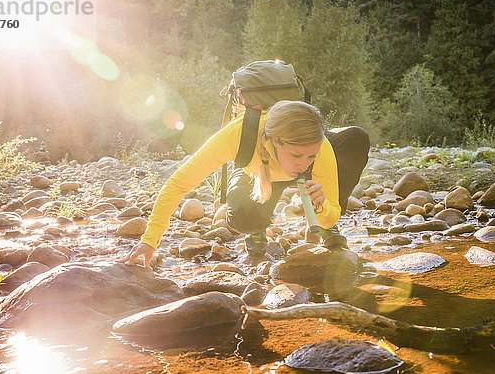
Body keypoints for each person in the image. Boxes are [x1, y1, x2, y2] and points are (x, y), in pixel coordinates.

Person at [117, 100, 369, 267]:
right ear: (275, 141)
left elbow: (330, 214)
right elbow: (178, 184)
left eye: (310, 156)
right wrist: (150, 239)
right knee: (246, 221)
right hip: (256, 173)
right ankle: (256, 225)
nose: (305, 163)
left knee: (356, 137)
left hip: (295, 175)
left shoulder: (320, 148)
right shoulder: (237, 136)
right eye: (297, 155)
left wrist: (322, 206)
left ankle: (323, 232)